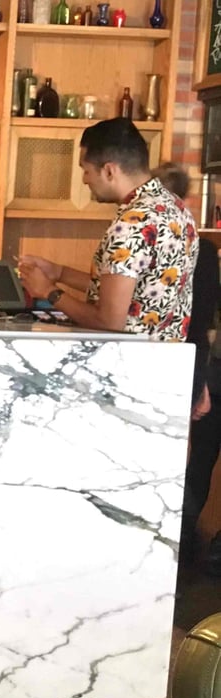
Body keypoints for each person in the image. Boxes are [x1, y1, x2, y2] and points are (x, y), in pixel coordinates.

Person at [18, 118, 199, 341]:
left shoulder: (131, 223)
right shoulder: (177, 208)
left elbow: (109, 322)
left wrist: (48, 291)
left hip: (127, 359)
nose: (84, 180)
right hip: (167, 358)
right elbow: (129, 288)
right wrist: (60, 273)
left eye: (86, 170)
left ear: (109, 171)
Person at [158, 161, 221, 565]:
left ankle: (177, 546)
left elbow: (199, 320)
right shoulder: (204, 248)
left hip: (182, 364)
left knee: (193, 459)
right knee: (195, 460)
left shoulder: (170, 242)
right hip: (198, 363)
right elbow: (204, 321)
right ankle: (184, 548)